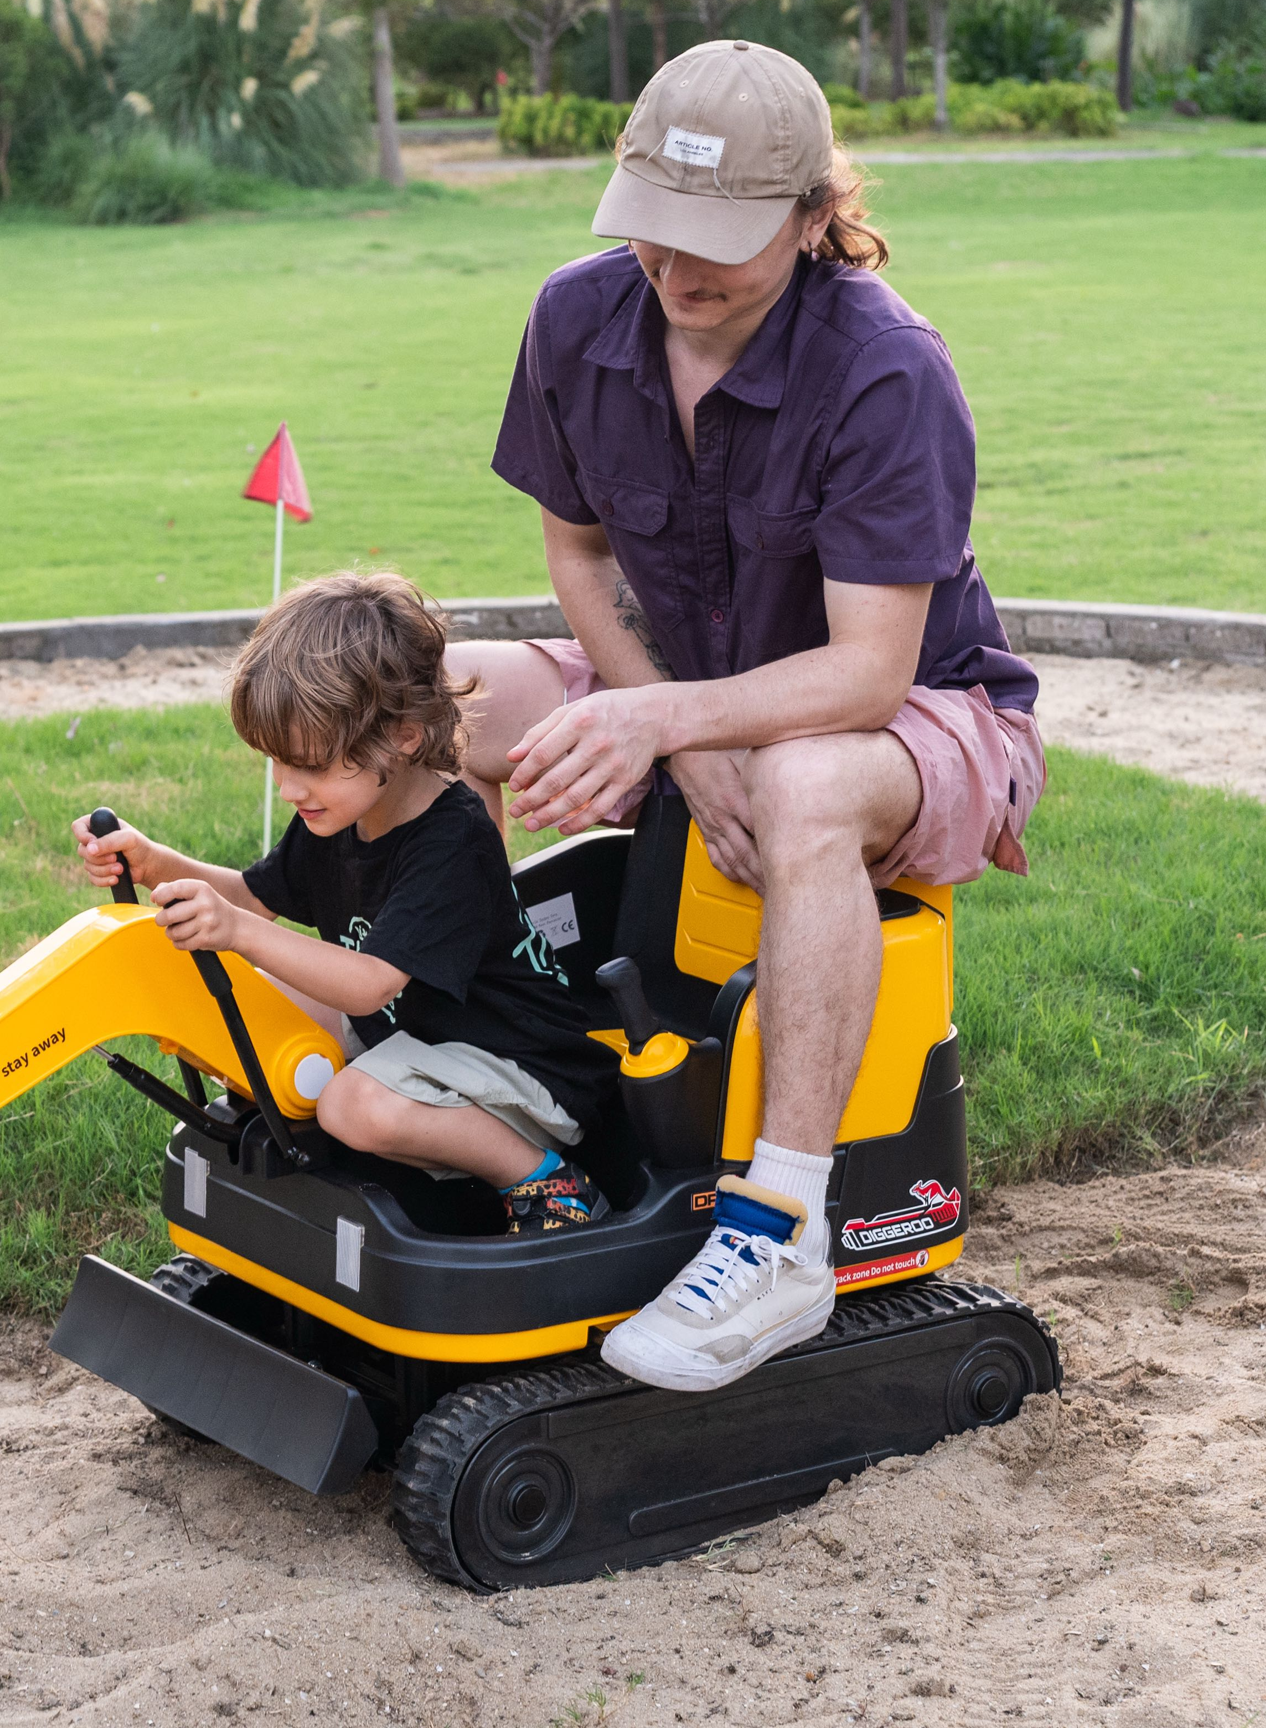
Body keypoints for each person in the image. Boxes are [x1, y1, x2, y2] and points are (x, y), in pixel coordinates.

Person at [450, 40, 1043, 1389]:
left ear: (816, 213)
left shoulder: (886, 367)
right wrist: (671, 719)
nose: (674, 267)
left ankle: (779, 1232)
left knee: (802, 783)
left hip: (920, 715)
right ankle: (478, 1066)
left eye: (715, 237)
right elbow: (579, 557)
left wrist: (679, 731)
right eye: (649, 226)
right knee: (434, 700)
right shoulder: (575, 317)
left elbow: (869, 674)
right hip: (686, 682)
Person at [72, 572, 617, 1234]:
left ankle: (544, 1179)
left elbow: (367, 984)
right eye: (277, 762)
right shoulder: (340, 811)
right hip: (421, 1034)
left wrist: (236, 930)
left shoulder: (453, 840)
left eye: (308, 763)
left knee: (351, 1107)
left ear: (404, 735)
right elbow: (253, 897)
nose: (288, 787)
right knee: (248, 1000)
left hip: (523, 1070)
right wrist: (155, 861)